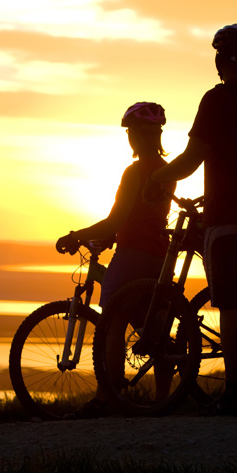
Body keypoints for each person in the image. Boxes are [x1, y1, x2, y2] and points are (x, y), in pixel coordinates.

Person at [145, 23, 237, 416]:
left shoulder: (216, 100)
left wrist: (156, 179)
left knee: (230, 305)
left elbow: (191, 160)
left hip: (226, 217)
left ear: (219, 61)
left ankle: (232, 391)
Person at [55, 101, 176, 418]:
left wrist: (76, 235)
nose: (129, 137)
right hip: (158, 255)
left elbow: (117, 218)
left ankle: (106, 398)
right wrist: (110, 236)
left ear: (136, 135)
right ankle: (162, 400)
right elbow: (140, 216)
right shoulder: (167, 170)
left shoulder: (135, 171)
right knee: (154, 330)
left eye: (130, 131)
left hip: (133, 253)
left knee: (111, 321)